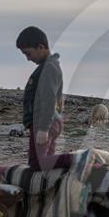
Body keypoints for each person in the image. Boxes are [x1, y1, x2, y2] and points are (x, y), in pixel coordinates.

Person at [17, 26, 73, 171]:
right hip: (50, 121)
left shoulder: (48, 68)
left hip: (43, 121)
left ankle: (76, 159)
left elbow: (49, 99)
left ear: (40, 47)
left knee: (37, 164)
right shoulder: (49, 66)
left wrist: (43, 128)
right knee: (46, 165)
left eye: (28, 53)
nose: (28, 58)